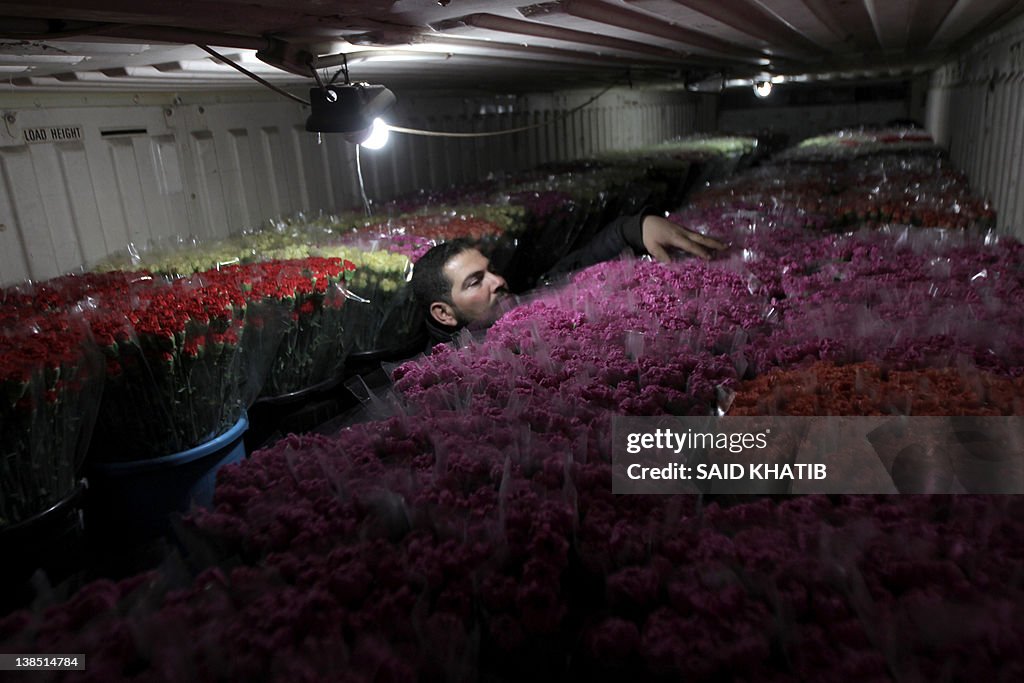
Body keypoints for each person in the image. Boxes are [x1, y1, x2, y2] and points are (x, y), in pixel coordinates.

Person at [411, 211, 727, 345]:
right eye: (475, 281)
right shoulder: (443, 377)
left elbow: (570, 270)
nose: (498, 281)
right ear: (443, 313)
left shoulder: (525, 310)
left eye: (491, 270)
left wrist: (634, 228)